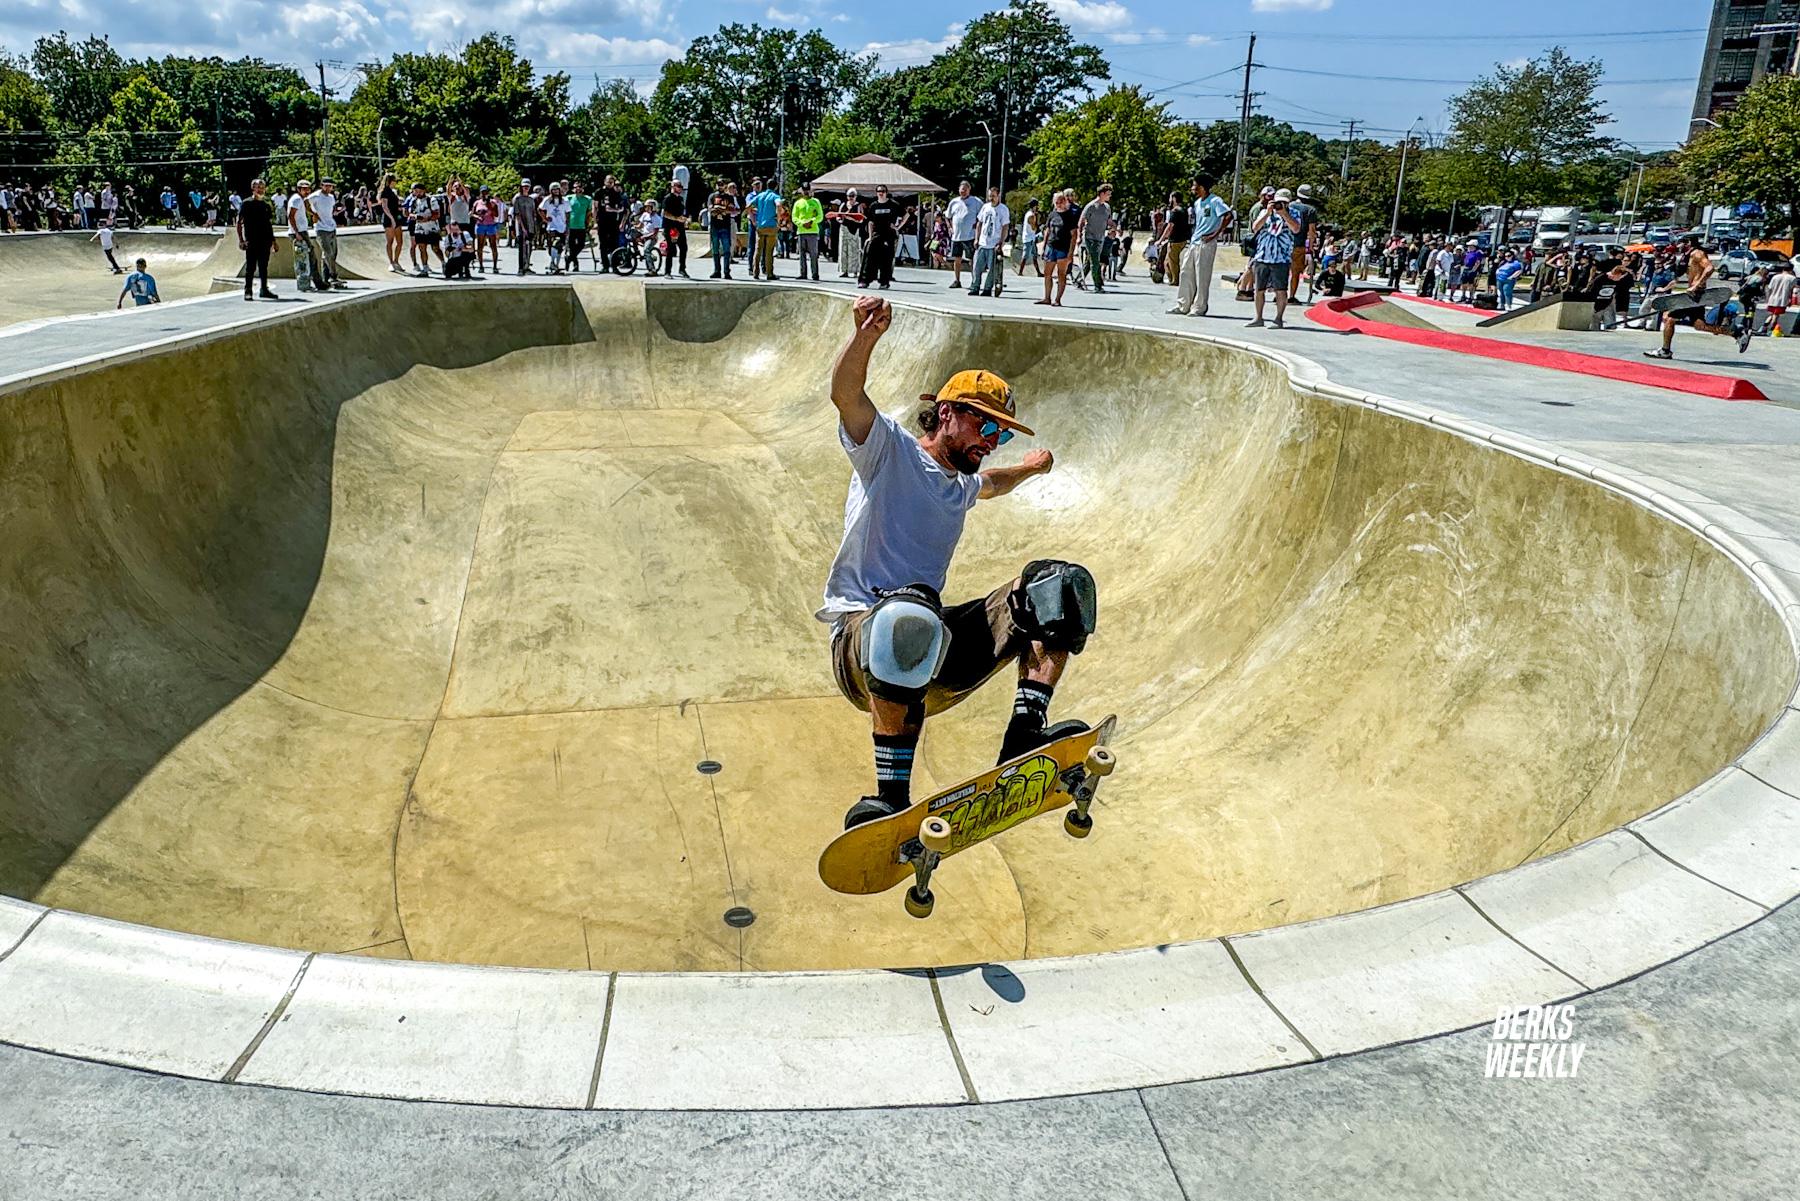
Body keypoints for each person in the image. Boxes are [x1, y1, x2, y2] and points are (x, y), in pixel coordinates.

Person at [821, 295, 1091, 831]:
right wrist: (866, 337)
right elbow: (845, 394)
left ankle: (1024, 735)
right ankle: (890, 797)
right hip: (861, 648)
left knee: (1058, 587)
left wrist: (1031, 468)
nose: (991, 442)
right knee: (911, 613)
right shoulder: (888, 450)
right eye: (984, 427)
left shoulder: (962, 485)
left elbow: (993, 484)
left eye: (1001, 434)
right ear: (947, 412)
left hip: (932, 656)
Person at [1646, 235, 1752, 359]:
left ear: (1688, 242)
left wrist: (1696, 285)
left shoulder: (1697, 254)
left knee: (1669, 318)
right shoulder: (1689, 255)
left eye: (1680, 243)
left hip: (1695, 295)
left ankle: (1665, 351)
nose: (1677, 246)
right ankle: (1737, 333)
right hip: (1695, 297)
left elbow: (1710, 268)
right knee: (1699, 326)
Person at [1169, 174, 1232, 317]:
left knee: (1202, 276)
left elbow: (1228, 215)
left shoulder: (1215, 201)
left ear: (1202, 187)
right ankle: (1183, 304)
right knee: (1185, 272)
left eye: (1194, 185)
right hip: (1195, 241)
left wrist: (1215, 234)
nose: (1192, 188)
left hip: (1206, 243)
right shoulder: (1197, 203)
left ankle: (1199, 307)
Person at [1248, 188, 1302, 328]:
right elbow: (1255, 227)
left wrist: (1284, 214)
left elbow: (1296, 229)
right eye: (1278, 202)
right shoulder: (1265, 211)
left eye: (1284, 202)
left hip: (1281, 257)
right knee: (1259, 289)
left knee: (1280, 289)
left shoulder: (1294, 213)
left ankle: (1278, 318)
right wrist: (1267, 213)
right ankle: (1258, 317)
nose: (1280, 205)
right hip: (1263, 254)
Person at [236, 178, 278, 300]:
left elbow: (268, 225)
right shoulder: (246, 203)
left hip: (265, 241)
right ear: (253, 189)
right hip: (252, 240)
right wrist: (241, 240)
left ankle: (264, 289)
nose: (260, 189)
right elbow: (239, 222)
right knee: (251, 267)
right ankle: (248, 290)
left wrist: (274, 241)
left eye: (262, 187)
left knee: (263, 266)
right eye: (257, 187)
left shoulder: (266, 205)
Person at [1035, 191, 1078, 307]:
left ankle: (1058, 299)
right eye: (1056, 202)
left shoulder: (1070, 216)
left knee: (1061, 274)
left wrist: (1071, 253)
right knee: (1047, 273)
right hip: (1051, 246)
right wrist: (1044, 246)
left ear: (1065, 201)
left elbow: (1074, 235)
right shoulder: (1052, 214)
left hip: (1063, 248)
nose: (1058, 204)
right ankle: (1047, 297)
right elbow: (1047, 231)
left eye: (1060, 202)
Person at [967, 186, 1009, 298]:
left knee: (992, 268)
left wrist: (1001, 241)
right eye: (990, 196)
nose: (991, 198)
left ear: (998, 196)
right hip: (983, 241)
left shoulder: (1003, 209)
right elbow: (979, 223)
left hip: (994, 243)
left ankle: (987, 289)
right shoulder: (985, 207)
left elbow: (1005, 226)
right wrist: (976, 238)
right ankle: (975, 287)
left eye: (993, 196)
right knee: (977, 267)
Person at [288, 178, 325, 292]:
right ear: (299, 189)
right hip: (299, 232)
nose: (307, 192)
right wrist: (297, 233)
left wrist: (314, 214)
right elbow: (290, 216)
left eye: (308, 189)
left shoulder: (300, 199)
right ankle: (306, 285)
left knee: (310, 257)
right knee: (304, 259)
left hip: (302, 231)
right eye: (304, 189)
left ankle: (317, 283)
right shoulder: (296, 200)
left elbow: (307, 208)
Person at [311, 178, 347, 290]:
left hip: (331, 227)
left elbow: (330, 211)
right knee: (328, 253)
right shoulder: (316, 195)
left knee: (332, 254)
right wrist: (313, 214)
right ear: (322, 186)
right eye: (326, 186)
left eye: (330, 186)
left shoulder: (331, 197)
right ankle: (333, 276)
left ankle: (326, 278)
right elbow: (305, 202)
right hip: (321, 229)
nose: (328, 188)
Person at [1078, 185, 1113, 293]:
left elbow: (1108, 220)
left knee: (1091, 260)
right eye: (1108, 194)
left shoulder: (1106, 207)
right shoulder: (1091, 206)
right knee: (1095, 261)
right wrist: (1079, 236)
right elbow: (1081, 221)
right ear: (1102, 194)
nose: (1109, 196)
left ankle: (1079, 279)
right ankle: (1098, 285)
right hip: (1090, 237)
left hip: (1100, 237)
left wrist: (1115, 227)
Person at [406, 182, 445, 277]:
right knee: (421, 247)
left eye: (419, 191)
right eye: (416, 191)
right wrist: (415, 216)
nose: (418, 193)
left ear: (423, 190)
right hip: (419, 228)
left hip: (431, 227)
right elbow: (409, 213)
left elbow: (437, 214)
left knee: (435, 247)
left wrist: (426, 218)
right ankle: (425, 267)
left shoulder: (431, 200)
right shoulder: (414, 201)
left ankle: (443, 263)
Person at [744, 177, 780, 280]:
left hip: (760, 226)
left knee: (758, 249)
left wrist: (753, 220)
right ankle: (769, 273)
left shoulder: (760, 196)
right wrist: (778, 218)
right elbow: (778, 204)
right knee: (769, 251)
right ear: (776, 186)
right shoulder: (775, 196)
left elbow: (748, 206)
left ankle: (755, 272)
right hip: (771, 225)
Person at [946, 181, 979, 289]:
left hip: (970, 235)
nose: (963, 191)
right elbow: (947, 216)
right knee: (957, 258)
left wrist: (978, 226)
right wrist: (950, 227)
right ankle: (957, 280)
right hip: (957, 236)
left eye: (965, 189)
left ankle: (974, 280)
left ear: (969, 190)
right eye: (961, 189)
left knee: (972, 259)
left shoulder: (976, 201)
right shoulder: (954, 202)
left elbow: (982, 215)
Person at [792, 181, 824, 281]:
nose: (806, 192)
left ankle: (815, 274)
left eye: (807, 190)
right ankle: (803, 273)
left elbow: (820, 216)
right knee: (802, 254)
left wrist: (812, 221)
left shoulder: (816, 202)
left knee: (813, 254)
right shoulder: (798, 203)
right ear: (801, 191)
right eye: (804, 190)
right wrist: (802, 223)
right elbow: (794, 217)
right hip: (801, 231)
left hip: (813, 231)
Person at [708, 181, 740, 279]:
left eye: (721, 184)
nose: (720, 186)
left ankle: (726, 271)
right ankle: (717, 270)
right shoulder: (712, 196)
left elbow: (732, 210)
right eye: (718, 184)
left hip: (725, 226)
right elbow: (711, 210)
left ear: (724, 186)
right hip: (715, 226)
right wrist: (722, 209)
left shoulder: (729, 197)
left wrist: (720, 209)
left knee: (727, 250)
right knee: (715, 250)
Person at [509, 178, 540, 275]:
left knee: (529, 247)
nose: (526, 188)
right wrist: (522, 228)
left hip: (530, 225)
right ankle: (521, 268)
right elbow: (517, 214)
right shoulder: (517, 199)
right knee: (522, 248)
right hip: (521, 226)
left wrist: (534, 226)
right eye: (524, 186)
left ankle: (527, 266)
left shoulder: (531, 199)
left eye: (527, 186)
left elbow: (533, 213)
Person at [834, 189, 866, 281]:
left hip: (854, 229)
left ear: (856, 196)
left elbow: (861, 219)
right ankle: (844, 271)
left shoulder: (858, 205)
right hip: (844, 229)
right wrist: (840, 220)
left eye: (852, 196)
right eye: (849, 196)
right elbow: (838, 216)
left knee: (854, 250)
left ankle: (855, 271)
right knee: (843, 250)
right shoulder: (843, 205)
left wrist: (850, 218)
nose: (851, 198)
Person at [660, 179, 690, 278]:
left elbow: (683, 213)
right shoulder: (668, 198)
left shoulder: (681, 199)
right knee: (671, 249)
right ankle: (667, 271)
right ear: (673, 187)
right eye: (678, 186)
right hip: (670, 227)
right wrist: (676, 218)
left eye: (681, 186)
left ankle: (682, 269)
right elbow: (665, 213)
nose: (680, 188)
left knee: (683, 248)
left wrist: (685, 219)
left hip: (680, 227)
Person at [377, 173, 405, 273]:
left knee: (400, 241)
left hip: (396, 216)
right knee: (390, 241)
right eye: (394, 181)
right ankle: (391, 262)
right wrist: (391, 219)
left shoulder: (393, 192)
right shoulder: (385, 192)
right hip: (389, 218)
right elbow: (385, 207)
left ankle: (396, 261)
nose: (395, 183)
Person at [1761, 262, 1794, 335]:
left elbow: (1769, 288)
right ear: (1791, 270)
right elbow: (1792, 290)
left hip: (1772, 298)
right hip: (1782, 300)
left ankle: (1764, 327)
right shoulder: (1792, 278)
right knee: (1776, 315)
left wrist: (1768, 298)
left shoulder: (1775, 277)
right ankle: (1770, 330)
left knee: (1773, 314)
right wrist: (1790, 300)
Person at [1017, 198, 1042, 277]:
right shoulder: (1031, 215)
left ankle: (1038, 272)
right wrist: (1036, 218)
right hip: (1029, 238)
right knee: (1026, 256)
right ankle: (1020, 272)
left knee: (1034, 255)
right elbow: (1034, 228)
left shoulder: (1029, 214)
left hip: (1031, 237)